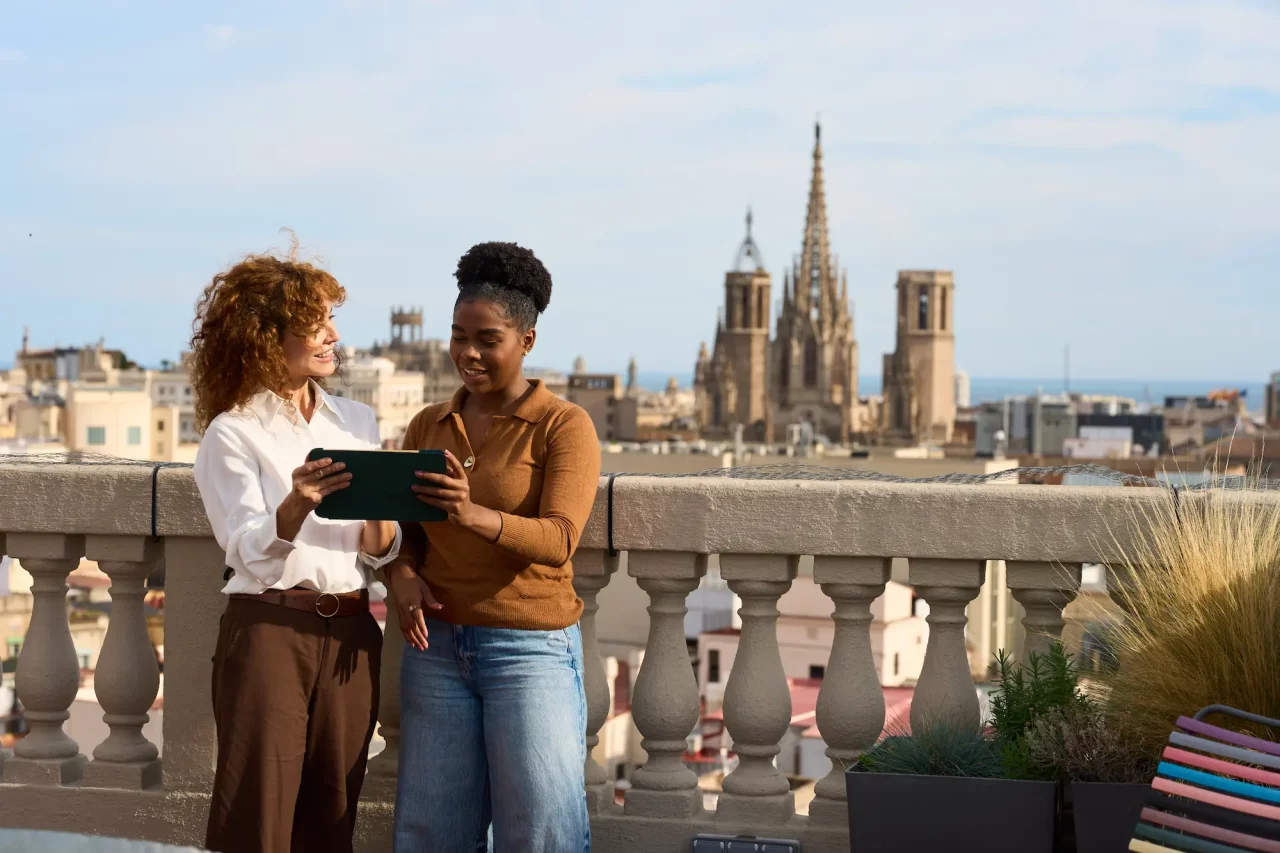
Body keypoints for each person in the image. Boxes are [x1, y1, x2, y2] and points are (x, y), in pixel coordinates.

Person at [389, 242, 601, 853]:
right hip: (436, 648)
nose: (468, 353)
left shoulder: (564, 425)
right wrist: (401, 576)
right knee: (432, 834)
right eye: (458, 336)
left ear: (527, 340)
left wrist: (470, 512)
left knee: (541, 835)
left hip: (528, 649)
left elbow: (559, 540)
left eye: (487, 338)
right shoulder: (429, 424)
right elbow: (405, 533)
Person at [190, 244, 401, 853]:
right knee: (258, 818)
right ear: (266, 336)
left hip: (355, 635)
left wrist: (387, 500)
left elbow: (379, 551)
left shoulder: (356, 421)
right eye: (316, 324)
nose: (333, 335)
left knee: (334, 817)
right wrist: (296, 503)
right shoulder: (233, 432)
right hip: (270, 631)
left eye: (331, 319)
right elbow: (246, 552)